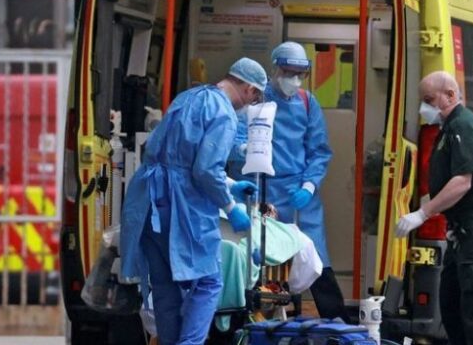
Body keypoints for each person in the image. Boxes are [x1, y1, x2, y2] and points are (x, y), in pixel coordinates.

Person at [120, 57, 267, 345]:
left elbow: (174, 158)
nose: (249, 106)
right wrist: (230, 207)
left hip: (149, 202)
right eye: (255, 98)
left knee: (165, 287)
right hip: (180, 207)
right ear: (249, 89)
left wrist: (231, 185)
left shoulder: (188, 97)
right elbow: (204, 170)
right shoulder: (223, 113)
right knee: (209, 282)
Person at [231, 42, 347, 321]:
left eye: (300, 74)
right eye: (288, 72)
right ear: (275, 69)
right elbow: (233, 140)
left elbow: (319, 150)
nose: (294, 80)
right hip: (262, 191)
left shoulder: (307, 103)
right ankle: (255, 321)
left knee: (317, 260)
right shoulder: (254, 100)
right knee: (260, 262)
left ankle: (339, 325)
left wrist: (309, 185)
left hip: (299, 192)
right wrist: (241, 151)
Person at [395, 71, 473, 345]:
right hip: (465, 227)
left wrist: (423, 214)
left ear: (450, 95)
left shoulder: (464, 126)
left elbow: (462, 182)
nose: (424, 107)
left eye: (428, 99)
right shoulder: (448, 129)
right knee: (451, 302)